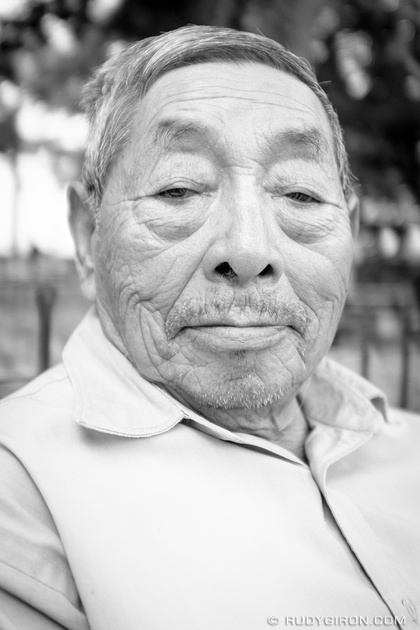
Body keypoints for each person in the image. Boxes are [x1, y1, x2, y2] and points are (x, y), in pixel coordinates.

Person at [0, 25, 419, 630]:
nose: (249, 250)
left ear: (347, 228)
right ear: (85, 236)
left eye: (300, 195)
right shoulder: (21, 489)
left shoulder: (404, 444)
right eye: (179, 188)